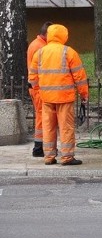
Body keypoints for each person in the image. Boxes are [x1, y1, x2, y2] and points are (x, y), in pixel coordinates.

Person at [28, 24, 89, 166]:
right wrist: (84, 95)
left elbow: (32, 78)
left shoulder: (40, 53)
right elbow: (79, 77)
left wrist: (40, 90)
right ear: (64, 36)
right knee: (66, 127)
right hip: (64, 97)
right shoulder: (69, 52)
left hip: (47, 98)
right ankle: (67, 157)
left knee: (48, 127)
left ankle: (49, 157)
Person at [27, 21, 53, 157]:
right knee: (42, 117)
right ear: (47, 34)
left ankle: (40, 147)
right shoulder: (39, 47)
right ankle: (38, 148)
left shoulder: (37, 44)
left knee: (41, 116)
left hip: (36, 87)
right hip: (38, 88)